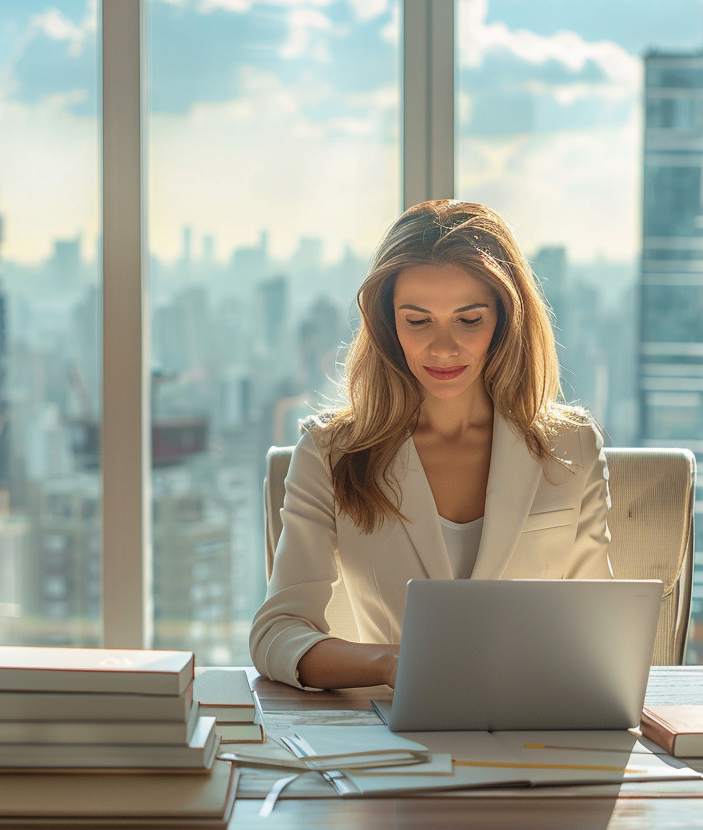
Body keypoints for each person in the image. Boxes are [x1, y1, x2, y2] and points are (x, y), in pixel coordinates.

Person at [249, 200, 612, 690]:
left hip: (536, 732)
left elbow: (604, 633)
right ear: (387, 325)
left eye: (469, 320)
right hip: (397, 740)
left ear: (504, 321)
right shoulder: (332, 453)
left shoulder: (573, 447)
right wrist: (391, 664)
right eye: (418, 321)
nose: (444, 348)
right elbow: (277, 632)